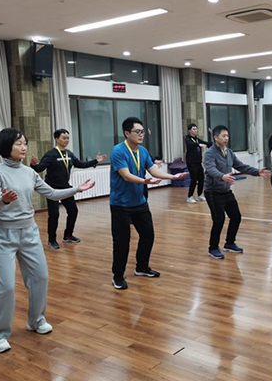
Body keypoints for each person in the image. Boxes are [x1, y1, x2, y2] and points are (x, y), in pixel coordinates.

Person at [0, 128, 95, 353]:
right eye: (18, 144)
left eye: (24, 143)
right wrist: (4, 199)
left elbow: (52, 193)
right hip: (3, 235)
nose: (23, 147)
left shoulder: (29, 172)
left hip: (29, 232)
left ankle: (36, 320)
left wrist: (77, 189)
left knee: (40, 277)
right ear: (6, 146)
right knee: (6, 286)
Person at [110, 117, 188, 290]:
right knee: (122, 242)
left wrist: (172, 176)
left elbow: (153, 170)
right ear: (127, 133)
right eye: (137, 132)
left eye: (142, 132)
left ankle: (142, 267)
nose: (141, 135)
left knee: (148, 235)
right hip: (121, 204)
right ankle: (118, 276)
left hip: (139, 202)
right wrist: (144, 181)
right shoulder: (118, 151)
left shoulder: (143, 151)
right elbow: (126, 175)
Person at [30, 129, 107, 249]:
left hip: (65, 188)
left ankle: (68, 235)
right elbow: (40, 168)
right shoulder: (50, 154)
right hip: (52, 189)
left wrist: (95, 161)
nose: (66, 140)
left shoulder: (69, 154)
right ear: (56, 139)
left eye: (68, 138)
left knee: (73, 211)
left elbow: (81, 164)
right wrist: (34, 165)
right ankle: (52, 240)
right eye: (64, 138)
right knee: (54, 215)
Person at [204, 125, 271, 259]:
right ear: (216, 137)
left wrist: (256, 172)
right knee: (219, 220)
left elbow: (240, 166)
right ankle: (213, 248)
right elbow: (210, 169)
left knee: (236, 217)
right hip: (213, 192)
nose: (226, 138)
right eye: (223, 136)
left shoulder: (228, 152)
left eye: (227, 136)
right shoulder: (210, 153)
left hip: (226, 191)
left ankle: (229, 243)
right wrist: (222, 176)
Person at [185, 123, 212, 204]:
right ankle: (189, 197)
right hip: (191, 163)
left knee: (201, 178)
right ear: (190, 131)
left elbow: (205, 143)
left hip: (198, 162)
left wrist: (214, 143)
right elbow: (190, 144)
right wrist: (198, 145)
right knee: (193, 179)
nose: (195, 130)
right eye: (193, 129)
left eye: (196, 129)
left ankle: (199, 195)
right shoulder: (188, 139)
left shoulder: (196, 139)